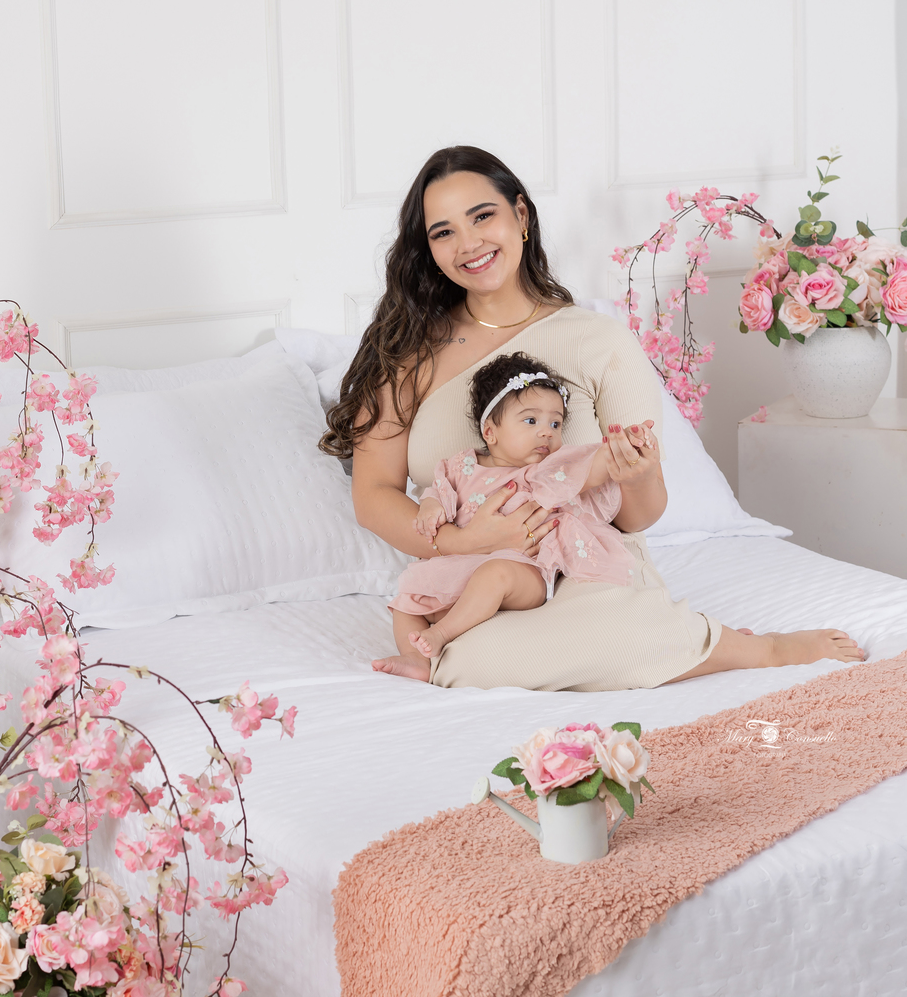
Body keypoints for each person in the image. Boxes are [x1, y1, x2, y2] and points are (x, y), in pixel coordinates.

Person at [320, 144, 863, 692]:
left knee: (614, 631)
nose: (469, 244)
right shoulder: (406, 353)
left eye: (483, 216)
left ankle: (756, 648)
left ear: (521, 216)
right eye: (443, 232)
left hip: (581, 565)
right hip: (465, 583)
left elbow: (637, 517)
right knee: (472, 654)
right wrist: (463, 542)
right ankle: (665, 642)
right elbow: (374, 494)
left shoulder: (597, 339)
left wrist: (638, 472)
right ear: (429, 248)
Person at [390, 351, 647, 667]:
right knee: (406, 599)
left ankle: (441, 634)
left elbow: (589, 470)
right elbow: (437, 492)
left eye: (556, 423)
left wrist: (621, 449)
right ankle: (415, 659)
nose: (547, 432)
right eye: (531, 420)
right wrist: (429, 509)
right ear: (490, 432)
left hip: (521, 574)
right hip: (459, 567)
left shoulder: (545, 471)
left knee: (494, 573)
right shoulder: (460, 465)